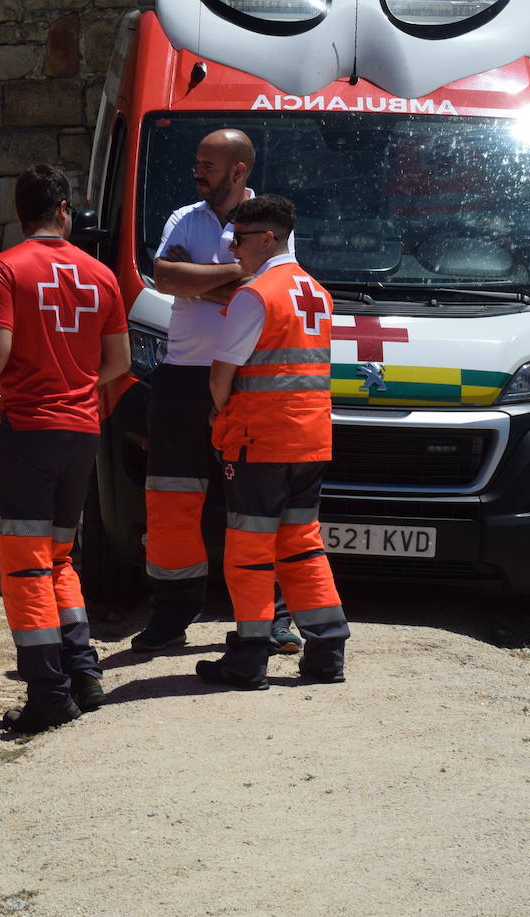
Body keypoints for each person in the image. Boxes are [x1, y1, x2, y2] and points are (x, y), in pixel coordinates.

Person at [0, 164, 130, 732]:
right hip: (81, 430)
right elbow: (120, 363)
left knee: (24, 564)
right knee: (60, 557)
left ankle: (48, 693)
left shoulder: (5, 268)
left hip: (29, 430)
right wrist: (79, 382)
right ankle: (84, 670)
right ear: (64, 209)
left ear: (20, 211)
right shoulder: (100, 273)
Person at [133, 128, 302, 656]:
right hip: (183, 376)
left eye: (207, 164)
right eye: (197, 162)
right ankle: (170, 615)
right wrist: (229, 275)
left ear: (238, 170)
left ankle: (269, 620)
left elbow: (263, 288)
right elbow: (164, 278)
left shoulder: (272, 223)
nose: (196, 171)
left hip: (245, 378)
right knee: (171, 502)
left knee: (253, 506)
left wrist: (200, 276)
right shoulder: (184, 218)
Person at [197, 194, 350, 690]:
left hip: (259, 442)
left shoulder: (256, 294)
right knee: (302, 545)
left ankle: (248, 658)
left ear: (266, 238)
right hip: (311, 442)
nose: (232, 252)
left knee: (248, 550)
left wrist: (220, 413)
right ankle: (326, 650)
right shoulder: (317, 292)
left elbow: (223, 373)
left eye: (238, 241)